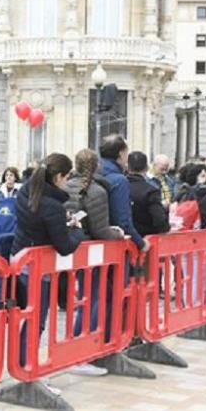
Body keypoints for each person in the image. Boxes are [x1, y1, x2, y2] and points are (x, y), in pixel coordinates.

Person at [11, 153, 85, 372]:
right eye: (66, 176)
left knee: (26, 316)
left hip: (20, 256)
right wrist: (76, 231)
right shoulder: (52, 205)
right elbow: (64, 246)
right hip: (38, 267)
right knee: (37, 319)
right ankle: (26, 365)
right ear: (59, 177)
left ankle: (21, 362)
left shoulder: (26, 192)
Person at [61, 149, 122, 376]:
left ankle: (76, 346)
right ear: (97, 166)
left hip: (71, 249)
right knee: (95, 298)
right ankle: (81, 350)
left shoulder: (65, 186)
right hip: (92, 252)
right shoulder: (97, 191)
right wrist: (118, 234)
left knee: (83, 299)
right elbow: (100, 229)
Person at [98, 136, 147, 252]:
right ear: (121, 154)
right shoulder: (119, 180)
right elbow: (123, 220)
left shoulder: (95, 172)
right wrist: (140, 243)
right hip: (114, 244)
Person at [126, 152, 169, 237]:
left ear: (127, 167)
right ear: (146, 167)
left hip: (122, 237)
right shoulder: (151, 191)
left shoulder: (119, 187)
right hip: (146, 238)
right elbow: (160, 221)